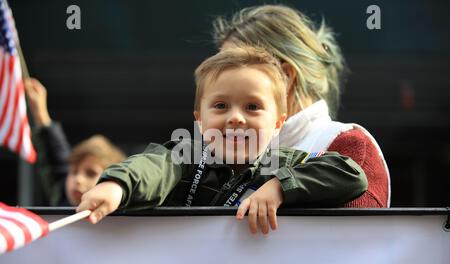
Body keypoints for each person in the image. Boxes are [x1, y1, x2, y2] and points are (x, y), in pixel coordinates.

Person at [76, 46, 368, 234]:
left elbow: (352, 175)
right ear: (200, 121)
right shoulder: (185, 155)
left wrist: (280, 186)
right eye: (220, 106)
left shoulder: (286, 162)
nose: (236, 118)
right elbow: (151, 166)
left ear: (278, 122)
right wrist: (117, 186)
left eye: (252, 107)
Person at [212, 4, 390, 207]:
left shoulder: (350, 144)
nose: (220, 83)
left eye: (234, 69)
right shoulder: (226, 155)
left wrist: (283, 186)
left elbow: (358, 236)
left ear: (285, 76)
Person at [24, 78, 126, 206]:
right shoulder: (62, 195)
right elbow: (55, 156)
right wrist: (40, 113)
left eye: (91, 173)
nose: (78, 180)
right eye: (74, 171)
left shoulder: (123, 220)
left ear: (113, 183)